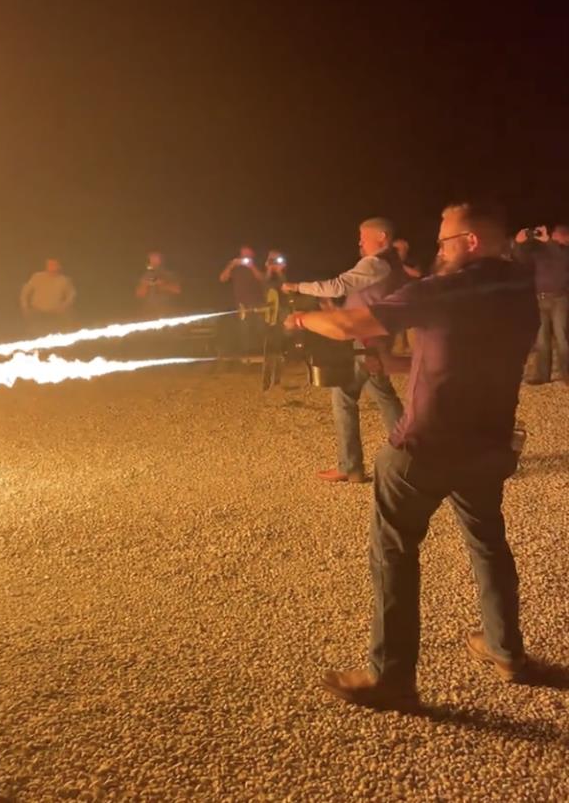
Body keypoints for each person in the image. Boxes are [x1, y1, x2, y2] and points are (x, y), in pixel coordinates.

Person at [284, 202, 538, 709]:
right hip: (487, 445)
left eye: (444, 241)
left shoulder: (442, 289)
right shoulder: (518, 289)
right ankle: (507, 651)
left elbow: (348, 324)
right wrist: (398, 361)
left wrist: (301, 316)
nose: (437, 251)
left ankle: (391, 677)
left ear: (468, 242)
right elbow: (462, 353)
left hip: (425, 446)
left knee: (395, 554)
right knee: (487, 543)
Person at [282, 218, 406, 483]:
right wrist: (338, 313)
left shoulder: (376, 263)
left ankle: (351, 467)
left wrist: (297, 287)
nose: (359, 241)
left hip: (365, 340)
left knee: (344, 396)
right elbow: (369, 300)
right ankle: (410, 455)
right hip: (375, 339)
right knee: (385, 397)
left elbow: (338, 286)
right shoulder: (391, 264)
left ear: (381, 236)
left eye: (363, 236)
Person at [513, 224, 569, 384]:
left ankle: (567, 374)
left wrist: (547, 241)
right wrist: (519, 243)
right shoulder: (540, 250)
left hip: (560, 299)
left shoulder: (563, 251)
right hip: (540, 298)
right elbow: (520, 260)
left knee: (562, 338)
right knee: (541, 340)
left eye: (558, 234)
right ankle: (542, 375)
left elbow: (561, 259)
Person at [219, 246, 265, 356]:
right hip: (241, 304)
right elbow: (222, 278)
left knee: (259, 327)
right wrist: (231, 265)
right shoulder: (235, 267)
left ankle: (261, 351)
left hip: (257, 302)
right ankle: (247, 354)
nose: (245, 257)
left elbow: (262, 279)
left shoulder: (256, 264)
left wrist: (252, 266)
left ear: (252, 254)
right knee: (244, 329)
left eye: (248, 254)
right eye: (243, 254)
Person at [20, 258, 76, 334]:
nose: (51, 267)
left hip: (55, 312)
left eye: (53, 265)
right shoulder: (37, 277)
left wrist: (64, 306)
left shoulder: (64, 280)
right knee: (36, 332)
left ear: (59, 266)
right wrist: (25, 305)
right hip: (38, 311)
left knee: (59, 329)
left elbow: (71, 294)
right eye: (49, 265)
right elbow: (26, 290)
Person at [135, 251, 181, 317]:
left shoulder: (169, 274)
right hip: (149, 312)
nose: (153, 261)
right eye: (151, 258)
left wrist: (161, 283)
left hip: (167, 311)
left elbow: (177, 290)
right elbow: (139, 294)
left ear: (161, 260)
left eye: (155, 258)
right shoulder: (145, 275)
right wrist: (144, 285)